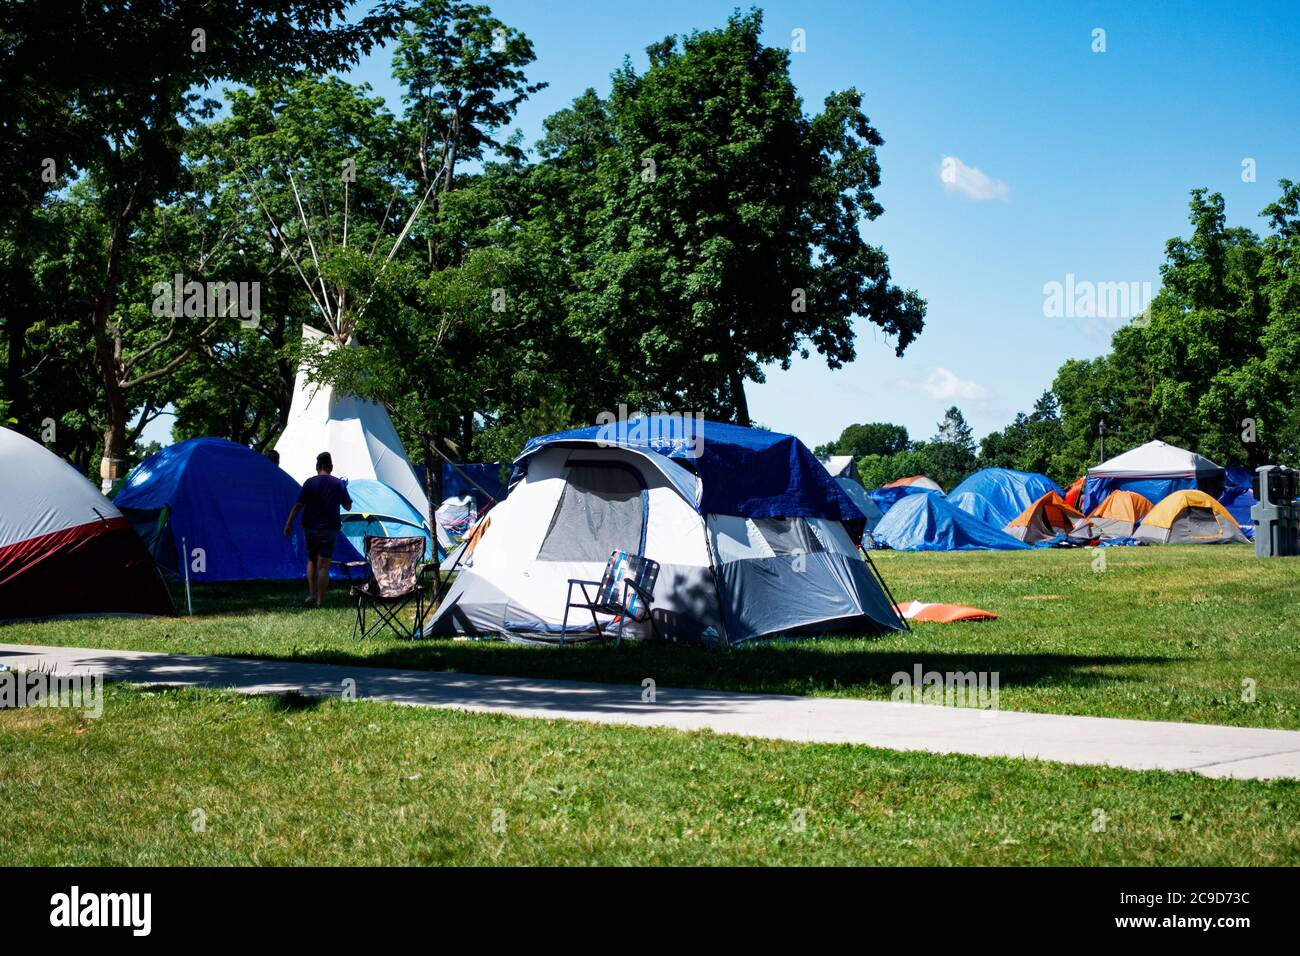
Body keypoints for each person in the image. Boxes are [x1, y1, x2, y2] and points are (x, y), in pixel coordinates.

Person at [283, 452, 352, 607]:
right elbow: (348, 506)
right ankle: (321, 600)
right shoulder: (338, 484)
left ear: (317, 467)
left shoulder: (310, 483)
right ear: (331, 467)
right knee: (324, 564)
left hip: (310, 527)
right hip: (329, 528)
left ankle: (311, 594)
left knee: (312, 560)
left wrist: (288, 523)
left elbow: (298, 505)